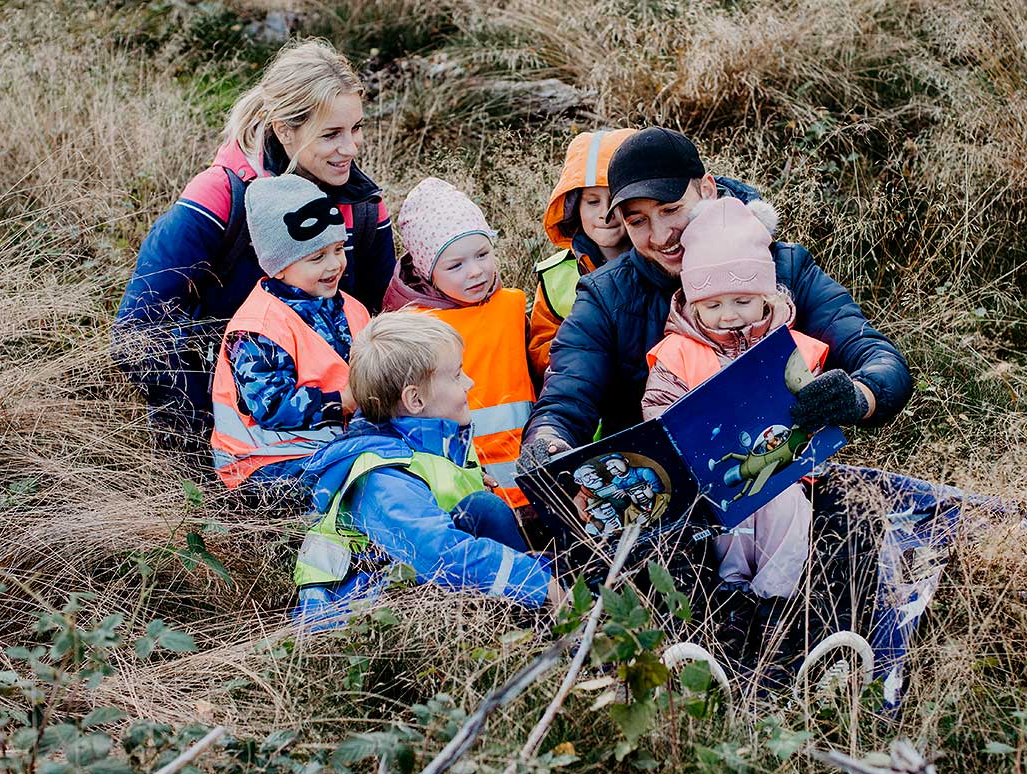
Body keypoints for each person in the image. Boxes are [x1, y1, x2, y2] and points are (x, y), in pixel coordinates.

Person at [519, 126, 911, 465]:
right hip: (664, 502)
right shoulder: (605, 295)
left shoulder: (783, 266)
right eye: (638, 221)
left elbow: (878, 357)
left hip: (783, 480)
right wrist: (547, 442)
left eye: (671, 209)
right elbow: (566, 399)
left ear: (706, 189)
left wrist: (858, 396)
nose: (661, 235)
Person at [113, 39, 396, 451]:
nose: (350, 149)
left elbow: (385, 322)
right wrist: (199, 436)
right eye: (331, 134)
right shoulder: (220, 195)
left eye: (356, 129)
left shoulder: (363, 208)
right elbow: (137, 328)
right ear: (284, 129)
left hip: (350, 441)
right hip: (234, 452)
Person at [642, 195, 830, 668]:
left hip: (784, 475)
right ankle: (731, 601)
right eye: (713, 305)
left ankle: (775, 605)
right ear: (690, 302)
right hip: (714, 485)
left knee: (786, 509)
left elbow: (819, 415)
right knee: (727, 516)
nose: (729, 315)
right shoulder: (678, 353)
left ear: (766, 297)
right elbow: (657, 414)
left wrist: (817, 419)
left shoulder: (794, 349)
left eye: (743, 301)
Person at [289, 311, 561, 622]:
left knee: (483, 509)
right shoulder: (382, 476)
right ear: (415, 399)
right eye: (457, 375)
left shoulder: (427, 443)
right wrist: (540, 586)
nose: (470, 383)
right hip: (356, 624)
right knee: (487, 515)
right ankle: (548, 619)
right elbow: (441, 554)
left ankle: (535, 616)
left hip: (397, 590)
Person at [209, 174, 368, 491]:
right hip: (263, 463)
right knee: (369, 476)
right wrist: (344, 402)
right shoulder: (256, 329)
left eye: (338, 249)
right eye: (317, 257)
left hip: (330, 445)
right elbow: (271, 406)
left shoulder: (352, 309)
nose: (334, 264)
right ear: (277, 267)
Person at [383, 178, 534, 510]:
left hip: (532, 473)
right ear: (427, 271)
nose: (476, 272)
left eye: (482, 254)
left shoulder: (512, 307)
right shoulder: (414, 327)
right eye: (456, 265)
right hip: (460, 488)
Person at [528, 128, 635, 378]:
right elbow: (542, 350)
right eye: (592, 201)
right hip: (589, 401)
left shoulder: (662, 260)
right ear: (574, 206)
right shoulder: (555, 277)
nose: (605, 213)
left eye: (615, 200)